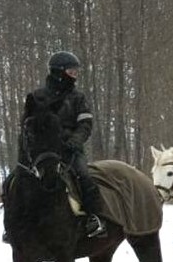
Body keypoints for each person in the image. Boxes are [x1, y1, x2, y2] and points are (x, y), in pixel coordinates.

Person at [14, 50, 105, 239]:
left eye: (76, 71)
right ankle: (13, 223)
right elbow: (27, 123)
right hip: (43, 151)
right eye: (72, 71)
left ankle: (94, 218)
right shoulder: (37, 96)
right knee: (14, 179)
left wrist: (74, 141)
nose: (75, 75)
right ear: (59, 72)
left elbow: (85, 124)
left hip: (70, 151)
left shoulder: (78, 98)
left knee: (84, 176)